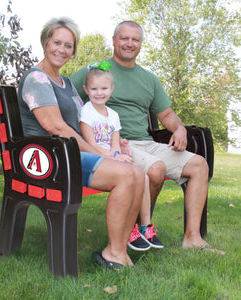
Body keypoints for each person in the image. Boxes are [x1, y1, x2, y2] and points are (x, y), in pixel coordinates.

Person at [70, 20, 224, 254]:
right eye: (124, 38)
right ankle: (136, 228)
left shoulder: (148, 78)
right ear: (114, 41)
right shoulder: (97, 70)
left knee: (199, 165)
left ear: (141, 44)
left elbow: (167, 113)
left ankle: (192, 238)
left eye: (135, 39)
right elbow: (65, 92)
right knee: (156, 169)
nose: (129, 43)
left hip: (147, 142)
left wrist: (179, 129)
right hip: (118, 145)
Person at [17, 17, 147, 269]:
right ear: (46, 42)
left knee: (138, 174)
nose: (62, 50)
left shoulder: (65, 83)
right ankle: (116, 252)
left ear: (73, 51)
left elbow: (85, 122)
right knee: (124, 175)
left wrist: (115, 144)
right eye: (57, 42)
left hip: (72, 152)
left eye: (68, 46)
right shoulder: (37, 78)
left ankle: (117, 249)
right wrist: (102, 153)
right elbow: (55, 126)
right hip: (51, 157)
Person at [80, 61, 163, 251]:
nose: (99, 93)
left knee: (142, 175)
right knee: (131, 175)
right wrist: (113, 157)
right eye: (94, 88)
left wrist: (118, 154)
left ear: (111, 89)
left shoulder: (113, 115)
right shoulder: (87, 111)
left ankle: (145, 227)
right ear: (86, 89)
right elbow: (90, 143)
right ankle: (130, 229)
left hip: (111, 156)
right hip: (96, 157)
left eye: (104, 88)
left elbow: (115, 141)